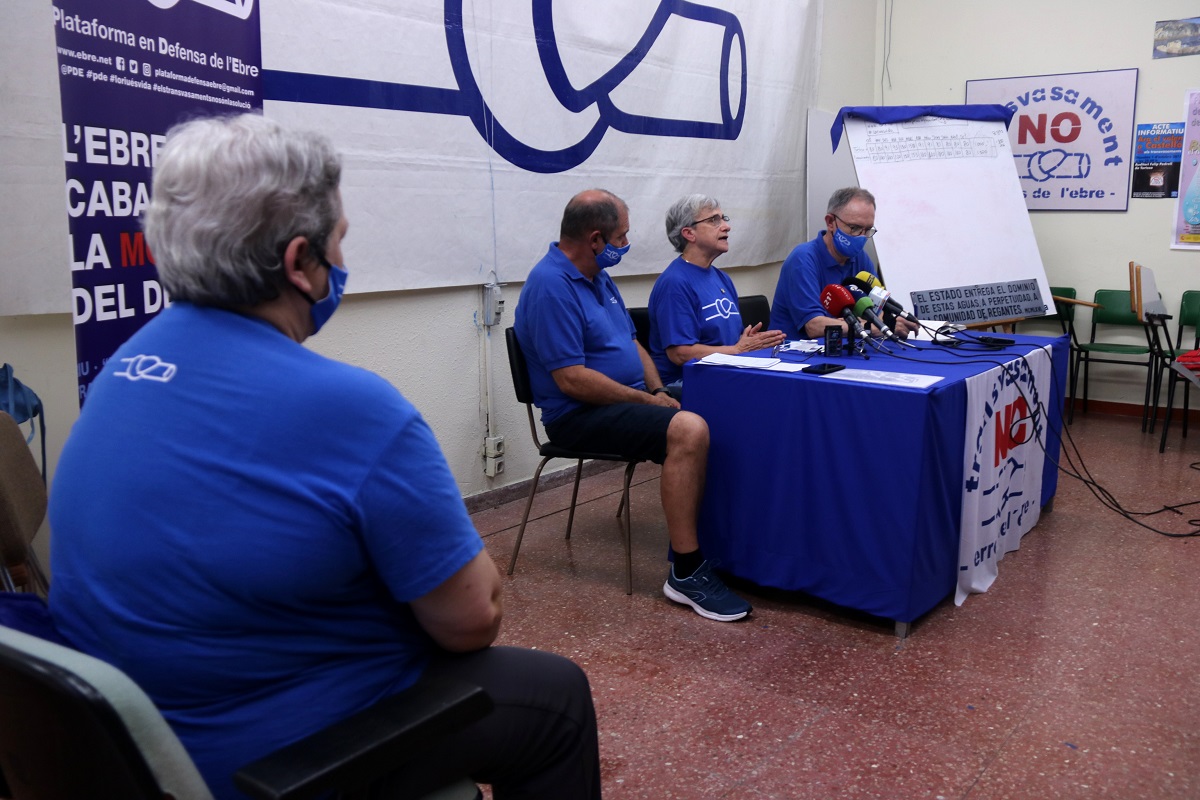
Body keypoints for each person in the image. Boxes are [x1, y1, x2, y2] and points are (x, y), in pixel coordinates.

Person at [48, 114, 601, 800]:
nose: (342, 258)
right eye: (339, 240)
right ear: (298, 263)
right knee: (555, 697)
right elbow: (472, 620)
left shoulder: (124, 367)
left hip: (118, 750)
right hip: (272, 768)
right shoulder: (354, 408)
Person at [513, 189, 752, 623]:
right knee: (689, 429)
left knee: (730, 408)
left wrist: (657, 391)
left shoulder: (596, 276)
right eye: (621, 237)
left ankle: (733, 540)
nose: (626, 244)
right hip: (577, 415)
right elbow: (572, 380)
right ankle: (686, 571)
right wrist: (648, 401)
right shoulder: (551, 286)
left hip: (627, 398)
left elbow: (632, 342)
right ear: (595, 239)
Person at [647, 194, 785, 387]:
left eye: (723, 218)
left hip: (725, 372)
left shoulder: (722, 278)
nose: (726, 226)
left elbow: (729, 343)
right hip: (687, 382)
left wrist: (748, 341)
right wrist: (737, 350)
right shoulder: (675, 283)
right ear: (689, 233)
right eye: (714, 220)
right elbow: (680, 353)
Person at [769, 187, 920, 340]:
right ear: (830, 222)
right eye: (854, 228)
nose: (861, 237)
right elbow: (814, 326)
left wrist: (887, 321)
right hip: (794, 351)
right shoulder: (802, 259)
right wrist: (870, 327)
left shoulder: (859, 257)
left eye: (867, 230)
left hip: (845, 346)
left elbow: (877, 311)